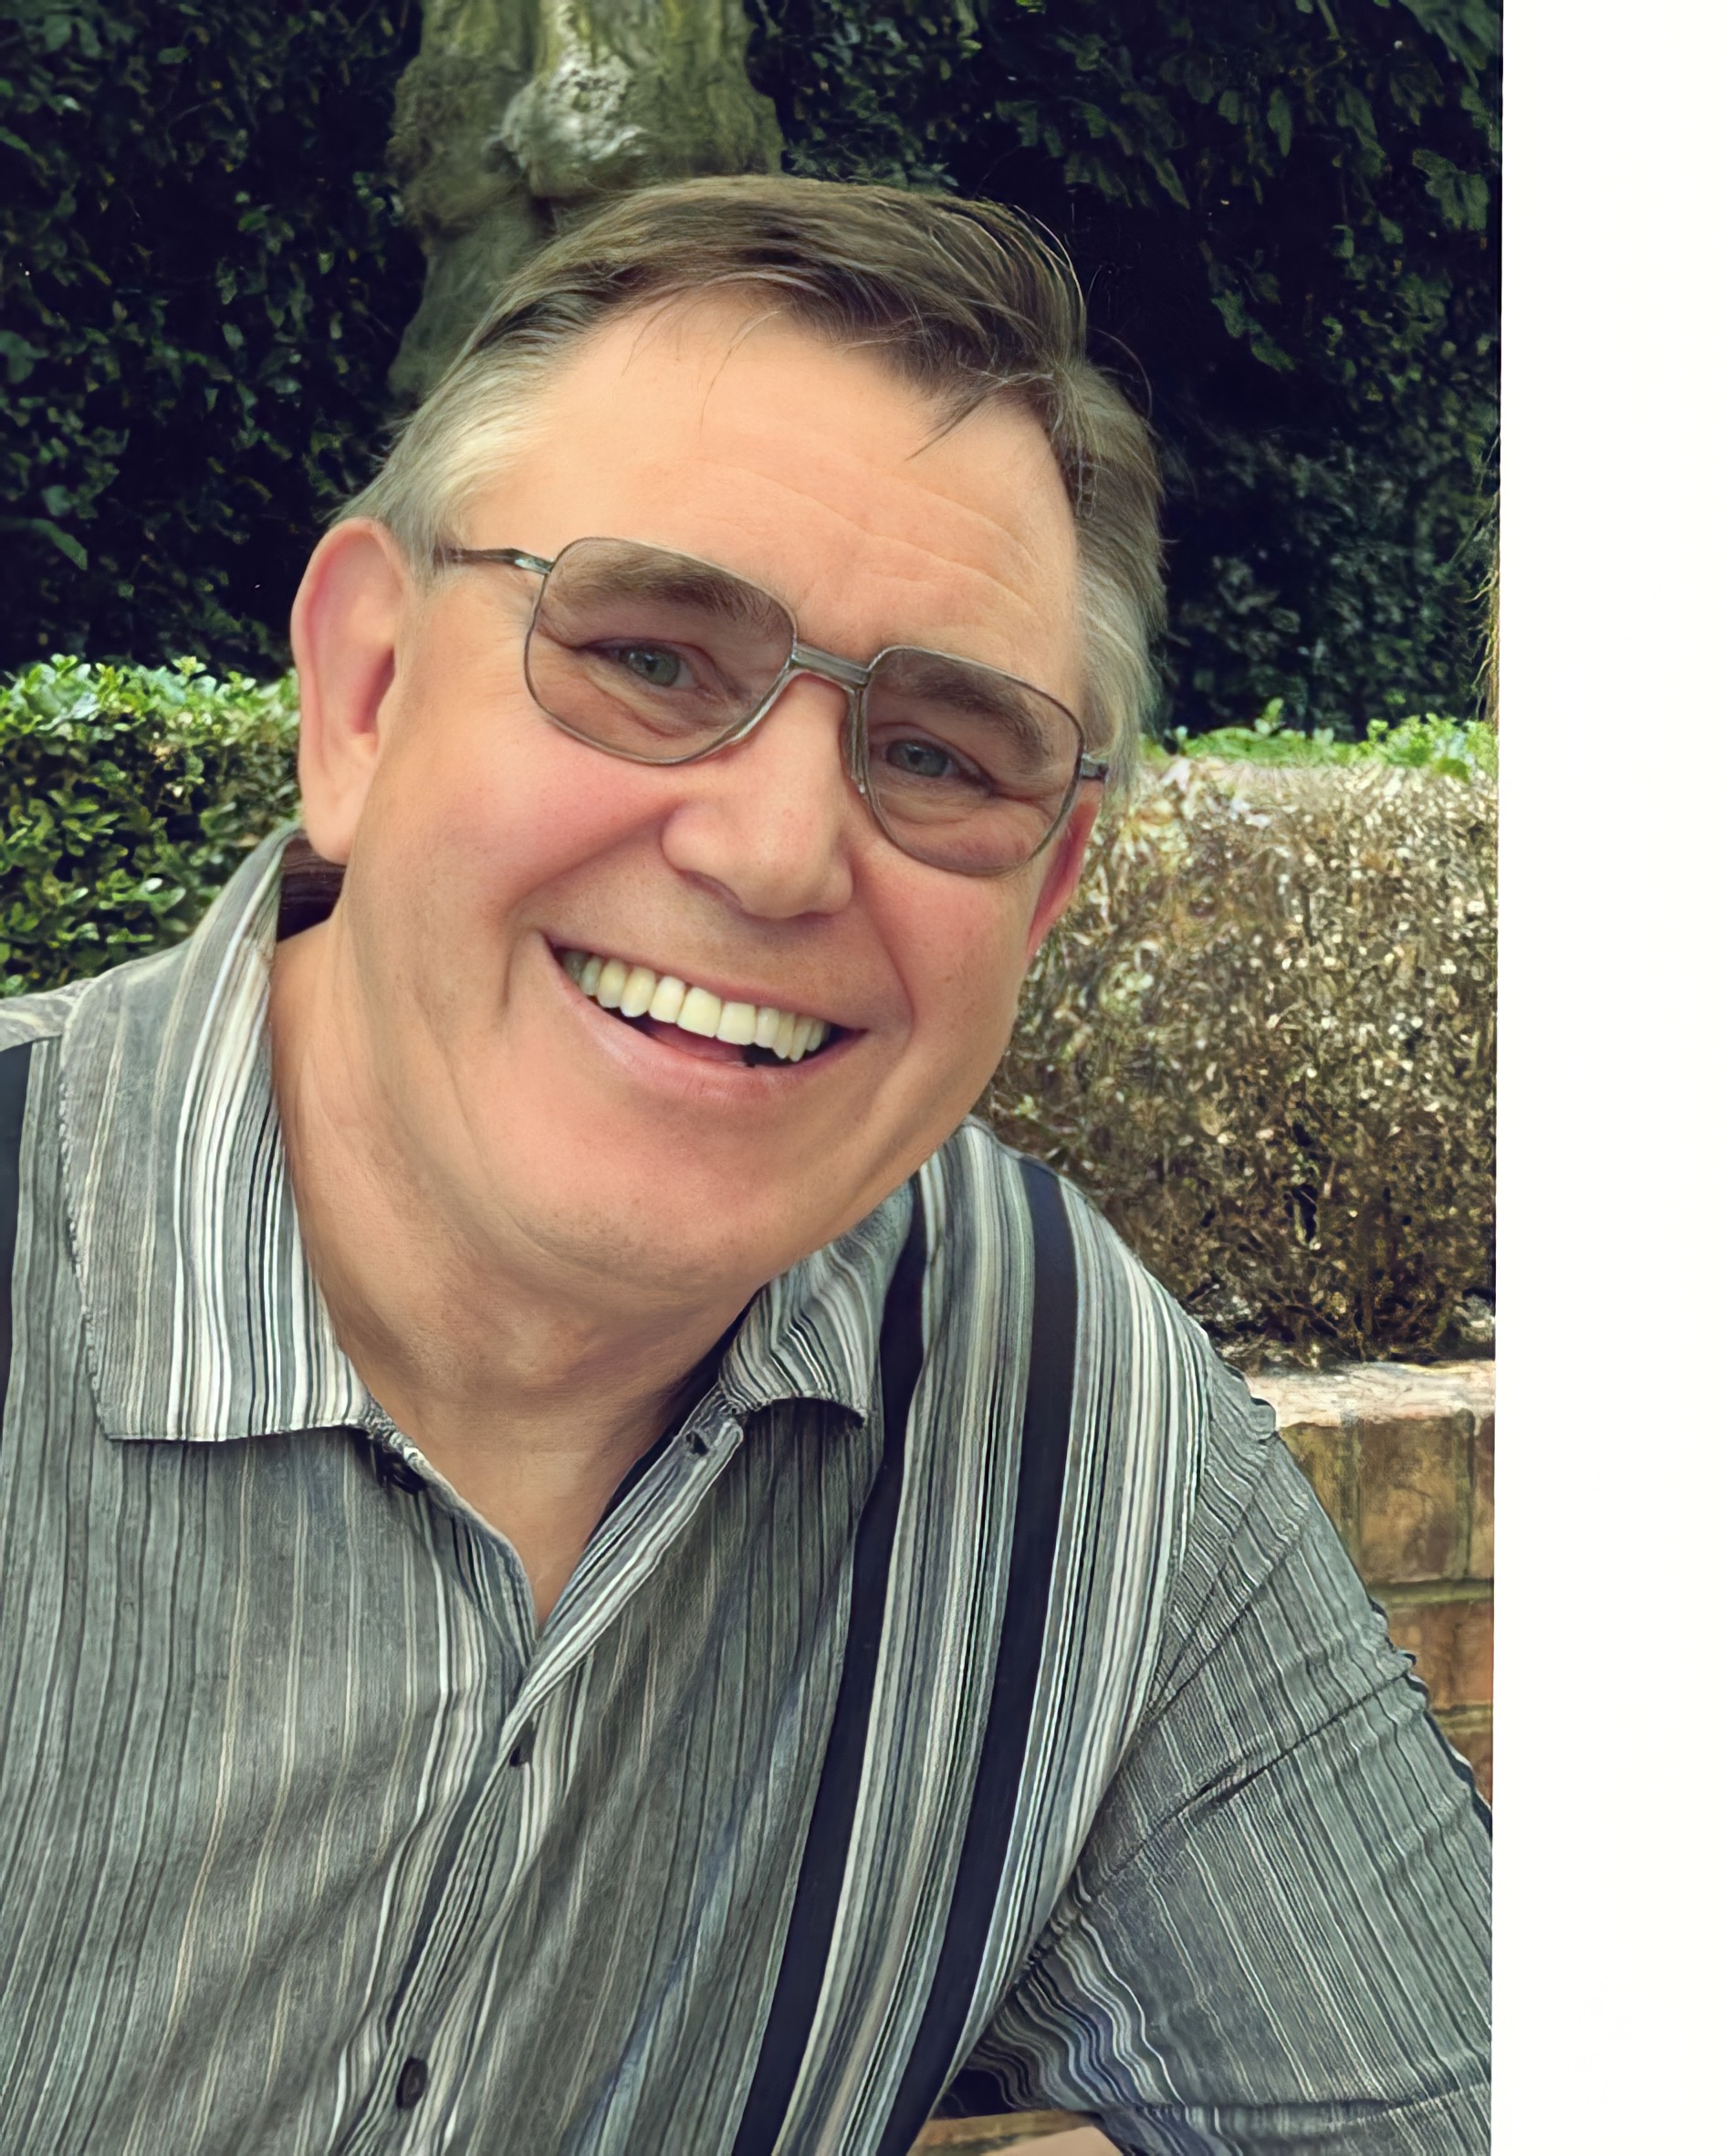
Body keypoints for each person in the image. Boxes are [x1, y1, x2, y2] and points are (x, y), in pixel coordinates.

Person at [0, 176, 1488, 2154]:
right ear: (360, 694)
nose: (777, 851)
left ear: (1045, 890)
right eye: (648, 655)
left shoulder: (1073, 1424)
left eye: (940, 754)